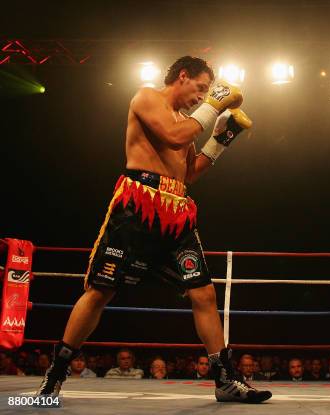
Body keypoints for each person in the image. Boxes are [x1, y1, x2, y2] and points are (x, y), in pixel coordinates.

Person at [36, 56, 271, 404]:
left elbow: (189, 173)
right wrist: (212, 105)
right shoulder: (147, 98)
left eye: (207, 92)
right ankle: (55, 375)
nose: (202, 96)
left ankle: (224, 380)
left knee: (203, 293)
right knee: (101, 291)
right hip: (137, 207)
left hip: (177, 214)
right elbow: (174, 137)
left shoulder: (185, 120)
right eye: (201, 88)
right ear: (182, 75)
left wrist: (221, 141)